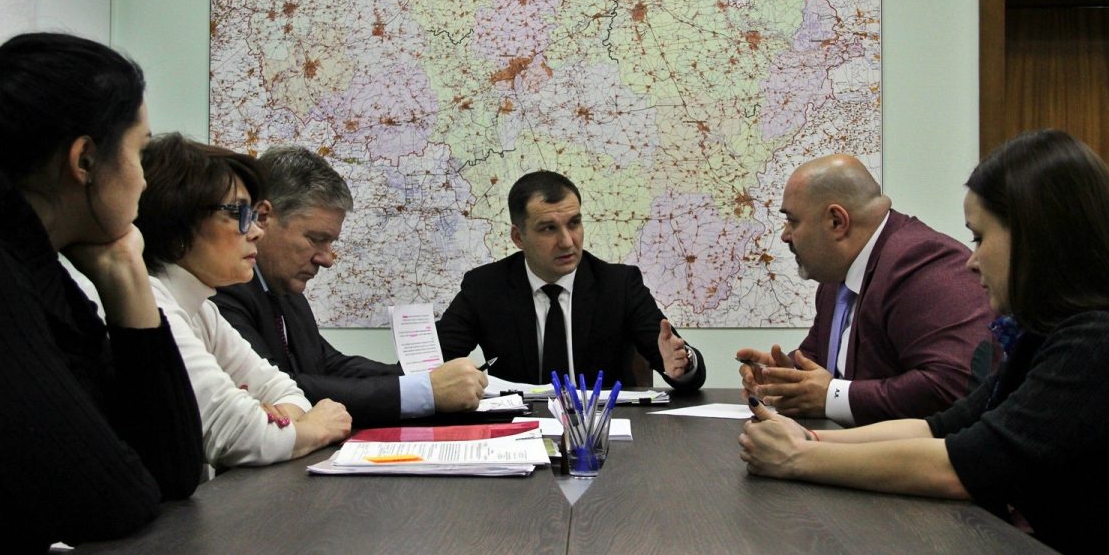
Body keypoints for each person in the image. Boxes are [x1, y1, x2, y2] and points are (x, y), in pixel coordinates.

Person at [738, 131, 1109, 555]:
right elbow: (941, 427)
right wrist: (810, 438)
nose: (971, 261)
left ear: (1036, 238)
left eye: (980, 238)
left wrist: (800, 458)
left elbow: (964, 467)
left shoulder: (1103, 340)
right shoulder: (1046, 334)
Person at [0, 34, 203, 555]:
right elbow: (109, 500)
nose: (145, 180)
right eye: (140, 153)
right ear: (85, 161)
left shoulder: (36, 267)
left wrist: (126, 275)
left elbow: (174, 471)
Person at [214, 146, 485, 425]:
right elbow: (280, 389)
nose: (327, 259)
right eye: (316, 239)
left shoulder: (284, 291)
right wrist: (426, 391)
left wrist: (424, 378)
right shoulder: (223, 291)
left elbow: (327, 364)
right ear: (262, 218)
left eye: (330, 242)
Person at [137, 134, 351, 473]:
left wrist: (277, 421)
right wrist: (315, 427)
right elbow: (241, 435)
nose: (256, 232)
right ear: (179, 222)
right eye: (239, 213)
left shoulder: (202, 309)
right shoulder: (149, 304)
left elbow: (285, 390)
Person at [738, 154, 994, 425]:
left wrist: (832, 397)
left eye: (793, 220)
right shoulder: (836, 276)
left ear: (837, 221)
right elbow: (820, 361)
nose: (785, 235)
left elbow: (953, 385)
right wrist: (782, 376)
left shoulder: (923, 263)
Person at [437, 170, 705, 389]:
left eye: (574, 223)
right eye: (549, 228)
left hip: (604, 427)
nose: (567, 241)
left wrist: (684, 362)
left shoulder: (619, 285)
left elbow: (682, 367)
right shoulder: (486, 287)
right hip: (521, 428)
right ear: (518, 237)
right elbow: (432, 361)